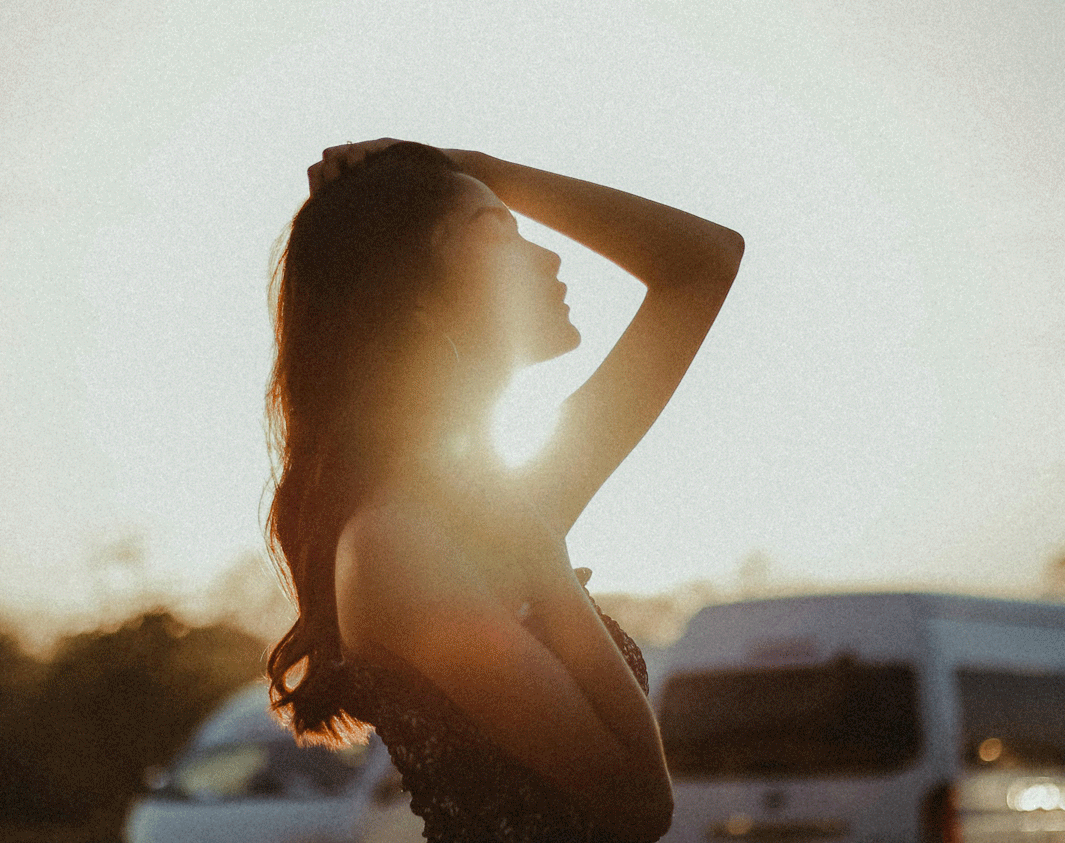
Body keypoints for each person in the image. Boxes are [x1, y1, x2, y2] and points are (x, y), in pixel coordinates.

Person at [263, 139, 743, 843]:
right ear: (414, 297)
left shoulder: (501, 500)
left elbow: (704, 264)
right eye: (499, 235)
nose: (549, 258)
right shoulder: (395, 543)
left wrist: (477, 168)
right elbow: (639, 804)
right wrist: (548, 566)